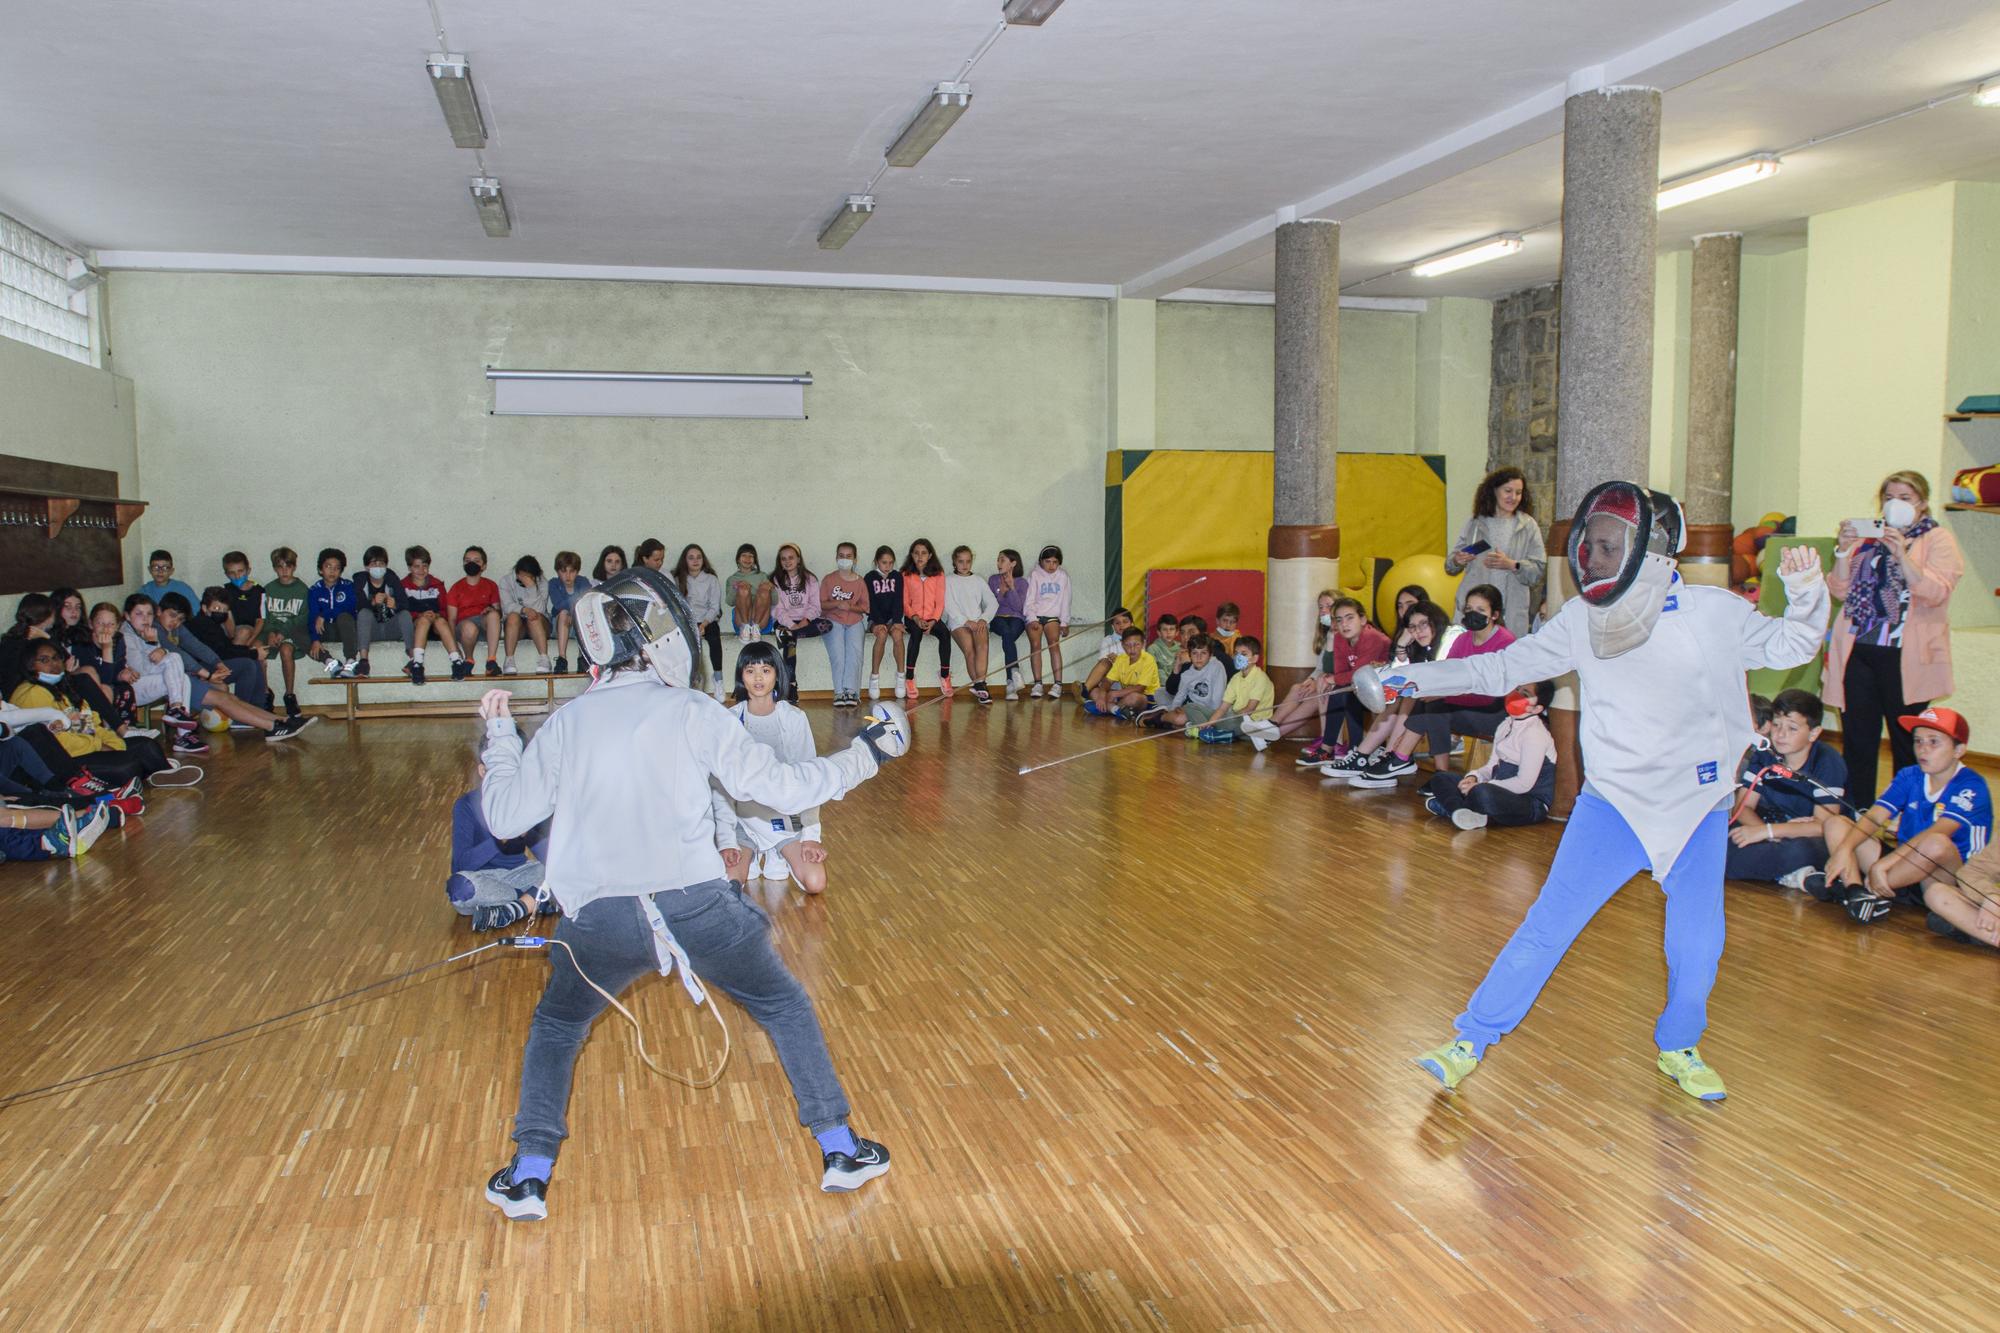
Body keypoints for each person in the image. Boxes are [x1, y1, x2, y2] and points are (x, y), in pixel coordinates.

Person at [1370, 482, 1827, 1103]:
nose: (1594, 558)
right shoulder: (1584, 621)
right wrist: (1408, 676)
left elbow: (1793, 645)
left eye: (1611, 546)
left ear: (1655, 548)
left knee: (1697, 941)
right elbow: (1499, 667)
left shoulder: (1714, 612)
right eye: (1592, 545)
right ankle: (1469, 1040)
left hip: (1698, 804)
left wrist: (1804, 593)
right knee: (1547, 926)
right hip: (1613, 805)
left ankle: (1680, 1046)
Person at [474, 567, 909, 1219]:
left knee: (559, 1024)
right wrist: (870, 752)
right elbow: (788, 789)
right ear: (664, 643)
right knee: (784, 1004)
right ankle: (840, 1149)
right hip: (696, 906)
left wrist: (502, 740)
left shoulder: (570, 720)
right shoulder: (692, 709)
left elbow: (505, 818)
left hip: (598, 918)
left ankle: (530, 1174)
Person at [1825, 470, 1963, 808]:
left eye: (1905, 498)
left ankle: (1907, 811)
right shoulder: (1868, 537)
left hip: (1906, 657)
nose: (1894, 504)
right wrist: (1843, 552)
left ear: (1922, 503)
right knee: (1858, 739)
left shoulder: (1937, 539)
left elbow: (1935, 592)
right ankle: (1856, 811)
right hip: (1861, 649)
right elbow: (1839, 590)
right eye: (1889, 497)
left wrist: (1902, 555)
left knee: (1907, 741)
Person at [1810, 706, 1991, 925]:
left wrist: (1882, 865)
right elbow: (1875, 817)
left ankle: (1863, 891)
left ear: (1958, 750)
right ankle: (1856, 892)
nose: (1923, 749)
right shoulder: (1909, 775)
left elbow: (1936, 832)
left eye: (1934, 742)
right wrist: (1844, 850)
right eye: (1918, 741)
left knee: (1936, 842)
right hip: (1905, 867)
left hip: (1947, 879)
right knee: (1835, 823)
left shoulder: (1971, 785)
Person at [713, 641, 833, 891]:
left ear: (777, 675)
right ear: (741, 677)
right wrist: (726, 841)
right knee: (728, 885)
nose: (758, 677)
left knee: (816, 882)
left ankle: (779, 853)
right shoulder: (728, 722)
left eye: (766, 670)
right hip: (743, 822)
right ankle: (753, 853)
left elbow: (809, 781)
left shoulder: (795, 718)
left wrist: (811, 837)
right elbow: (720, 789)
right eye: (750, 670)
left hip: (785, 820)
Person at [9, 640, 172, 790]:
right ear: (29, 665)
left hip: (86, 746)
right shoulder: (32, 694)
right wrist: (100, 746)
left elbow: (89, 727)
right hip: (63, 760)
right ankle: (148, 772)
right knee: (128, 766)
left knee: (146, 746)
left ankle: (167, 776)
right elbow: (58, 743)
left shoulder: (62, 689)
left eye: (56, 658)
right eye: (44, 660)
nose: (54, 664)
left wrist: (113, 744)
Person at [1726, 689, 1846, 890]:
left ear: (1814, 733)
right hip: (1768, 829)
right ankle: (1795, 875)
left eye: (1792, 728)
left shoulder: (1827, 761)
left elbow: (1823, 826)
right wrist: (1767, 834)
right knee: (1722, 842)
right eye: (1776, 725)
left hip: (1807, 837)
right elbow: (1743, 807)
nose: (1781, 735)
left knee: (1800, 851)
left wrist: (1767, 832)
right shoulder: (1765, 754)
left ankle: (1789, 871)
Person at [1323, 599, 1450, 786]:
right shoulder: (1417, 645)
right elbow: (1401, 675)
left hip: (1451, 698)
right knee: (1399, 695)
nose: (1417, 630)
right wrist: (1401, 645)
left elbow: (1358, 673)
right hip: (1420, 695)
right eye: (1413, 626)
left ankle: (1391, 757)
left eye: (1423, 624)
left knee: (1407, 695)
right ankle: (1375, 756)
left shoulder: (1449, 638)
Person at [152, 596, 313, 741]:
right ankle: (271, 728)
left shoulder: (176, 629)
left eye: (180, 619)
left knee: (232, 698)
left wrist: (218, 663)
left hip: (187, 677)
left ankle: (282, 720)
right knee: (224, 697)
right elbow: (178, 655)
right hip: (178, 681)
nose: (175, 622)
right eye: (172, 616)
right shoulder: (156, 630)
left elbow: (197, 646)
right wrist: (207, 675)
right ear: (159, 611)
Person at [1396, 584, 1516, 773]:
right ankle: (1405, 760)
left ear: (1494, 614)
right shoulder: (1463, 639)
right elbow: (1448, 675)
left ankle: (1405, 759)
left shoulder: (1505, 642)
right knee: (1430, 703)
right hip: (1466, 703)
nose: (1472, 614)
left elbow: (1491, 693)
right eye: (1468, 609)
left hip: (1495, 711)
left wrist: (1444, 695)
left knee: (1435, 706)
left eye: (1480, 610)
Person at [1420, 684, 1556, 829]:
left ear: (1537, 709)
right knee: (1440, 778)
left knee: (1482, 793)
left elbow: (1524, 784)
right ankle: (1462, 812)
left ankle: (1453, 808)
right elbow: (1491, 766)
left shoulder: (1535, 734)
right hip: (1496, 788)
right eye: (1517, 689)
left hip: (1529, 802)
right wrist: (1474, 777)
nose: (1516, 695)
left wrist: (1481, 786)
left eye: (1525, 694)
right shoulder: (1506, 724)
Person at [449, 762, 553, 931]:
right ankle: (533, 901)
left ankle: (512, 909)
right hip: (483, 881)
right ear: (483, 770)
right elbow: (460, 865)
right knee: (460, 888)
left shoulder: (525, 804)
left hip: (521, 874)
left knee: (560, 872)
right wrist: (499, 839)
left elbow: (551, 860)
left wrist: (529, 830)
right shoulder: (466, 805)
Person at [1445, 467, 1546, 638]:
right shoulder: (1474, 523)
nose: (1513, 497)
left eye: (1518, 492)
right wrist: (1458, 560)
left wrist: (1513, 565)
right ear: (1494, 490)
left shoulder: (1528, 526)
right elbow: (1449, 566)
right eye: (1508, 491)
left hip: (1511, 614)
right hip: (1474, 614)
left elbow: (1538, 570)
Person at [1294, 597, 1392, 765]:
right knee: (1341, 691)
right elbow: (1341, 672)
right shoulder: (1339, 638)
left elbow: (1358, 674)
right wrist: (1332, 680)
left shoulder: (1374, 638)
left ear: (1362, 619)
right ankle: (1328, 750)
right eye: (1339, 620)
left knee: (1347, 692)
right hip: (1363, 684)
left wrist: (1333, 679)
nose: (1344, 624)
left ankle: (1355, 750)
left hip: (1387, 687)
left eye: (1349, 618)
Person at [120, 595, 208, 755]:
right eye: (139, 614)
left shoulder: (147, 632)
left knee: (184, 678)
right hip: (130, 688)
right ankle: (176, 710)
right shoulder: (126, 635)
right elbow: (141, 669)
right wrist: (154, 645)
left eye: (149, 614)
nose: (145, 619)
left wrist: (161, 649)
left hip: (145, 682)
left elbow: (160, 661)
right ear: (127, 615)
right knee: (174, 658)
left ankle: (183, 734)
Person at [180, 589, 276, 711]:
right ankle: (240, 714)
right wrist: (253, 653)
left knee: (254, 661)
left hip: (211, 665)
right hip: (198, 670)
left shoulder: (212, 623)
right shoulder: (201, 624)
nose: (221, 613)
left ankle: (258, 709)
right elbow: (222, 652)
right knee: (247, 665)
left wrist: (252, 652)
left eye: (225, 610)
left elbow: (226, 648)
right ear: (204, 608)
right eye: (216, 608)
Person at [1198, 636, 1278, 749]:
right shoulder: (1236, 678)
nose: (1238, 657)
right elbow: (1223, 707)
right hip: (1235, 717)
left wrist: (1226, 718)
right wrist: (1209, 723)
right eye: (1236, 653)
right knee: (1192, 707)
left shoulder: (1261, 678)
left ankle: (1221, 733)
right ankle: (1220, 733)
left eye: (1244, 654)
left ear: (1255, 658)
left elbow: (1249, 710)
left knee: (1226, 720)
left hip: (1252, 722)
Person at [770, 543, 826, 703]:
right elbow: (777, 609)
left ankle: (789, 634)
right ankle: (791, 686)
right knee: (789, 645)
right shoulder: (775, 580)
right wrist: (791, 625)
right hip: (784, 622)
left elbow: (816, 607)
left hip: (805, 622)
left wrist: (804, 621)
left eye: (791, 558)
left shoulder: (810, 579)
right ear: (779, 562)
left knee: (827, 625)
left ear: (798, 559)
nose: (787, 562)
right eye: (783, 559)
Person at [259, 548, 313, 711]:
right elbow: (264, 615)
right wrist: (270, 632)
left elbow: (303, 617)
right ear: (275, 568)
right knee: (257, 650)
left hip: (291, 633)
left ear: (294, 567)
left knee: (286, 651)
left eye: (288, 566)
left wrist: (283, 633)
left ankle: (289, 695)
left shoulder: (303, 589)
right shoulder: (268, 589)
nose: (284, 571)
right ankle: (265, 693)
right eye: (280, 567)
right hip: (271, 631)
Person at [944, 545, 1000, 704]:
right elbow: (948, 604)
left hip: (977, 622)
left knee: (983, 647)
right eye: (961, 561)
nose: (964, 565)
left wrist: (983, 619)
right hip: (958, 623)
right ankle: (980, 686)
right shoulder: (948, 580)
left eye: (968, 561)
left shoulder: (978, 580)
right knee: (970, 649)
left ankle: (980, 686)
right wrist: (965, 621)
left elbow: (992, 603)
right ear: (955, 561)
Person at [403, 546, 466, 684]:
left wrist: (437, 615)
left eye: (424, 566)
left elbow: (445, 608)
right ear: (409, 568)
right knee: (424, 621)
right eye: (416, 566)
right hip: (417, 626)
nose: (421, 570)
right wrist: (419, 615)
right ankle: (417, 664)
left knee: (441, 622)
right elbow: (403, 611)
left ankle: (456, 661)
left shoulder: (437, 585)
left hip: (436, 624)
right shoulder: (404, 586)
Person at [352, 546, 415, 680]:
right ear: (366, 566)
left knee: (405, 615)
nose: (378, 567)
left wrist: (396, 605)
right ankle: (363, 661)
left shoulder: (392, 579)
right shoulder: (360, 581)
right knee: (364, 613)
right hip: (370, 631)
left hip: (390, 628)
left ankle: (413, 659)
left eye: (381, 563)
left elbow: (405, 604)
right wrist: (372, 603)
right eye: (373, 563)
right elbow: (355, 606)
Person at [819, 543, 869, 709]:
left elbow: (865, 607)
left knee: (855, 654)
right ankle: (839, 692)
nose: (845, 559)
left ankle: (852, 691)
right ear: (836, 557)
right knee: (838, 654)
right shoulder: (829, 579)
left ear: (855, 559)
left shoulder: (860, 582)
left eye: (849, 556)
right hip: (833, 621)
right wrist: (836, 604)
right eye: (841, 555)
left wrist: (850, 607)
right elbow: (821, 605)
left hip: (854, 621)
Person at [900, 538, 950, 701]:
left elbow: (940, 602)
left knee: (945, 634)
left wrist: (934, 621)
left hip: (932, 618)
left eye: (923, 553)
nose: (919, 556)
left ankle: (945, 675)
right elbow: (905, 602)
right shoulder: (906, 575)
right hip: (912, 618)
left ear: (930, 555)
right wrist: (915, 618)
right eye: (916, 553)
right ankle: (909, 677)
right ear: (911, 555)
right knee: (916, 634)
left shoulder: (938, 574)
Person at [671, 545, 723, 699]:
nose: (695, 561)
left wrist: (704, 624)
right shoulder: (678, 579)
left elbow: (715, 607)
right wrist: (691, 624)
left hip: (707, 620)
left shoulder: (711, 579)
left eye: (698, 557)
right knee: (686, 645)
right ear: (684, 560)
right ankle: (691, 680)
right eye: (691, 557)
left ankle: (718, 679)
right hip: (687, 621)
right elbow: (676, 606)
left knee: (714, 639)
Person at [1022, 545, 1072, 700]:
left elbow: (1066, 600)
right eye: (1048, 561)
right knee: (1036, 646)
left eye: (1055, 562)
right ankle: (1038, 683)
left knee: (1053, 644)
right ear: (1041, 561)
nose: (1051, 566)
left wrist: (1064, 622)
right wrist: (1032, 618)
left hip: (1052, 617)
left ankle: (1057, 684)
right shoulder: (1034, 575)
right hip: (1035, 615)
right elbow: (1028, 599)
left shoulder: (1063, 577)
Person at [448, 546, 505, 678]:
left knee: (494, 616)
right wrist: (454, 645)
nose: (471, 564)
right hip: (464, 629)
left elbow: (499, 611)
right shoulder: (456, 588)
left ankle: (491, 661)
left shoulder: (491, 585)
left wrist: (492, 610)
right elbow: (451, 619)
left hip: (484, 625)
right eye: (467, 560)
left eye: (476, 561)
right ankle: (468, 660)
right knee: (469, 627)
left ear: (484, 566)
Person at [1150, 633, 1225, 730]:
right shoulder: (1187, 674)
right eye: (1194, 653)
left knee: (1187, 722)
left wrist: (1213, 718)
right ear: (1189, 655)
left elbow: (1217, 698)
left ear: (1210, 655)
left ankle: (1174, 724)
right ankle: (1161, 718)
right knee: (1179, 717)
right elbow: (1180, 696)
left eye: (1203, 653)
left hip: (1210, 711)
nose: (1199, 657)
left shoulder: (1217, 667)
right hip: (1190, 709)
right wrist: (1174, 710)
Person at [307, 548, 362, 677]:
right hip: (325, 631)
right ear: (321, 570)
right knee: (298, 630)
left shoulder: (348, 586)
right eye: (328, 567)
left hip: (345, 630)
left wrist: (324, 614)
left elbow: (349, 607)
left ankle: (351, 661)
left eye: (337, 568)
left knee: (344, 616)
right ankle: (329, 661)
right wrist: (315, 639)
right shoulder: (314, 590)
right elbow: (313, 616)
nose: (332, 571)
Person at [864, 546, 906, 703]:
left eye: (890, 563)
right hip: (875, 618)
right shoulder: (869, 577)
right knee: (881, 635)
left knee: (897, 634)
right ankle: (874, 677)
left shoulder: (897, 576)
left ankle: (901, 676)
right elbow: (871, 603)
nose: (887, 566)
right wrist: (879, 623)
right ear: (876, 562)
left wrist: (896, 621)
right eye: (884, 562)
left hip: (892, 618)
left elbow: (898, 600)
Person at [499, 554, 553, 674]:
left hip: (539, 624)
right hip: (517, 626)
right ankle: (509, 660)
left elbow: (540, 609)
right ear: (517, 573)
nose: (525, 579)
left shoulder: (542, 582)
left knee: (534, 617)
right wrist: (524, 610)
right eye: (523, 576)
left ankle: (544, 659)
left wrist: (531, 587)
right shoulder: (506, 581)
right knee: (513, 616)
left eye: (529, 577)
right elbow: (507, 607)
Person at [1091, 627, 1159, 718]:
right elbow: (1108, 681)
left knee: (1134, 698)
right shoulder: (1121, 659)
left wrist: (1114, 694)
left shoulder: (1148, 659)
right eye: (1127, 645)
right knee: (1094, 691)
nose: (1132, 649)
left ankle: (1108, 708)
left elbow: (1140, 688)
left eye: (1136, 644)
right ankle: (1117, 710)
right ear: (1122, 645)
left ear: (1143, 644)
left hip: (1147, 697)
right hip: (1123, 695)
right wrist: (1102, 695)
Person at [989, 550, 1030, 700]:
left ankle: (1010, 684)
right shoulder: (993, 580)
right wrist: (1001, 593)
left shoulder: (1022, 583)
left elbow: (1019, 608)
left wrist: (1011, 589)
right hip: (997, 618)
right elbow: (992, 605)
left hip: (1016, 619)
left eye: (1002, 560)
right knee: (1006, 632)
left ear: (1013, 563)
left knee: (1009, 633)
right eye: (998, 560)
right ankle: (1014, 673)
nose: (999, 563)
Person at [1078, 608, 1137, 709]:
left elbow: (1138, 663)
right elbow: (1103, 664)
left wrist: (1119, 661)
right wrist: (1113, 662)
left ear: (1132, 623)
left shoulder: (1139, 640)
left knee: (1135, 697)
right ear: (1112, 626)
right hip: (1110, 684)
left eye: (1125, 622)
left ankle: (1111, 706)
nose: (1121, 625)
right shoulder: (1107, 640)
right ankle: (1085, 691)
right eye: (1117, 623)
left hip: (1129, 682)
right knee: (1095, 690)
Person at [545, 552, 593, 677]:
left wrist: (575, 612)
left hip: (579, 624)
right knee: (564, 612)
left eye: (571, 571)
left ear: (577, 572)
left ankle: (582, 657)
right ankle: (562, 658)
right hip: (560, 625)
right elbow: (559, 604)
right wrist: (574, 608)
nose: (567, 576)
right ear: (557, 571)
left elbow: (587, 601)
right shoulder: (553, 583)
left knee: (583, 614)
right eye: (563, 571)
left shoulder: (583, 582)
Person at [218, 550, 266, 649]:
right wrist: (233, 637)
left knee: (259, 647)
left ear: (248, 570)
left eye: (240, 571)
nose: (237, 576)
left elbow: (260, 620)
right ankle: (233, 658)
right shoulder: (225, 591)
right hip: (229, 630)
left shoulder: (260, 591)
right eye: (232, 573)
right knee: (242, 633)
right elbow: (226, 618)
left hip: (250, 630)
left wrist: (250, 641)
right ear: (226, 574)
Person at [726, 544, 773, 642]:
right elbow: (729, 602)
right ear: (738, 559)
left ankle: (756, 628)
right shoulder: (732, 579)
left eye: (751, 556)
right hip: (741, 621)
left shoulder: (762, 576)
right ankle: (745, 627)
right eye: (744, 555)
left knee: (764, 591)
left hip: (762, 622)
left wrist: (771, 588)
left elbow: (775, 600)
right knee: (743, 589)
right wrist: (736, 587)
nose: (747, 558)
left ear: (755, 560)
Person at [132, 550, 199, 616]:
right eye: (156, 567)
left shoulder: (183, 589)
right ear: (149, 569)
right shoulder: (144, 591)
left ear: (171, 571)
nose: (160, 571)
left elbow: (197, 612)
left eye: (165, 568)